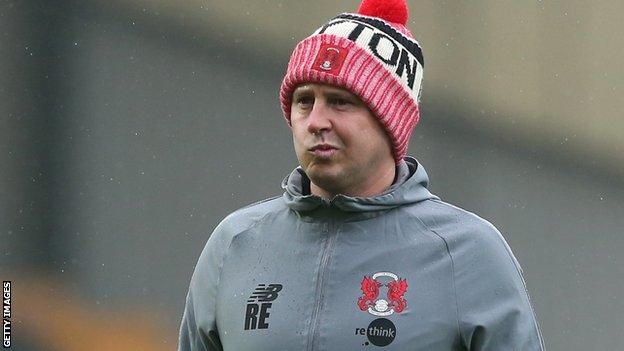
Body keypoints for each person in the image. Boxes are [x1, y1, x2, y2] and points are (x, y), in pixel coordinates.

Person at [178, 0, 545, 350]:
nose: (316, 122)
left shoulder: (468, 252)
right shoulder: (234, 244)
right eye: (305, 100)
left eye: (340, 101)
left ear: (390, 122)